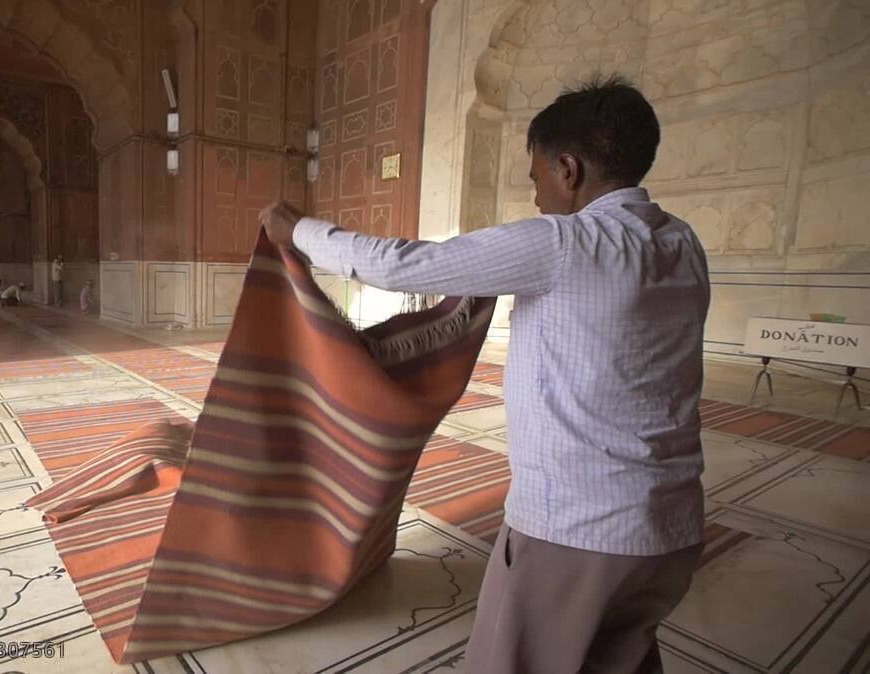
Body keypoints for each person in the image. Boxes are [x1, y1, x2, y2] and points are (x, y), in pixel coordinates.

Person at [260, 74, 710, 674]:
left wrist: (299, 232)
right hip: (672, 533)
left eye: (537, 178)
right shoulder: (683, 243)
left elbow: (406, 266)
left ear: (568, 169)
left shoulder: (564, 242)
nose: (537, 198)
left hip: (577, 533)